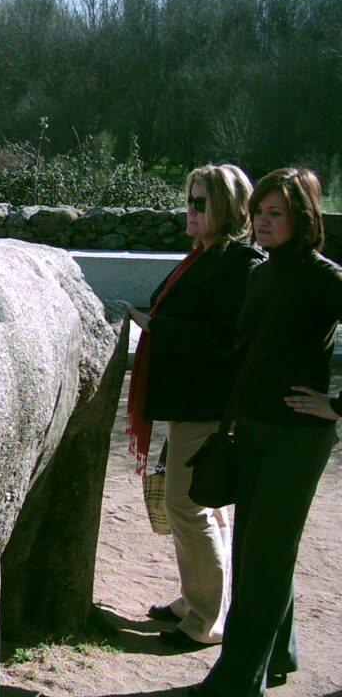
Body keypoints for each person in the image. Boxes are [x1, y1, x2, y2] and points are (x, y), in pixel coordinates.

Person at [191, 168, 342, 696]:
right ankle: (278, 653)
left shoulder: (325, 277)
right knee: (259, 553)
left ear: (303, 218)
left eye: (276, 213)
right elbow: (241, 347)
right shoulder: (261, 272)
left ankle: (235, 681)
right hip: (251, 432)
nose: (262, 222)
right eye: (259, 212)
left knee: (264, 561)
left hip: (296, 440)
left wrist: (336, 405)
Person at [118, 164, 263, 650]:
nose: (191, 211)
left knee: (188, 504)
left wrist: (154, 326)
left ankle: (204, 618)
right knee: (204, 506)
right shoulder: (207, 256)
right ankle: (198, 601)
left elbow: (226, 339)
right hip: (192, 399)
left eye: (201, 203)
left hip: (209, 404)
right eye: (189, 201)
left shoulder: (239, 263)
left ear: (226, 208)